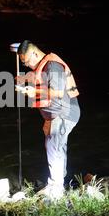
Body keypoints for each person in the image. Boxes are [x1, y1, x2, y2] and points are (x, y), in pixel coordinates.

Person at [15, 40, 80, 200]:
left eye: (27, 61)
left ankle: (55, 188)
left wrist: (33, 91)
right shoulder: (43, 67)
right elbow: (41, 81)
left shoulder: (52, 65)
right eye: (23, 63)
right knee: (57, 146)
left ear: (35, 54)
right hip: (56, 115)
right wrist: (24, 82)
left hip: (63, 113)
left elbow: (57, 92)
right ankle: (59, 184)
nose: (27, 65)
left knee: (54, 147)